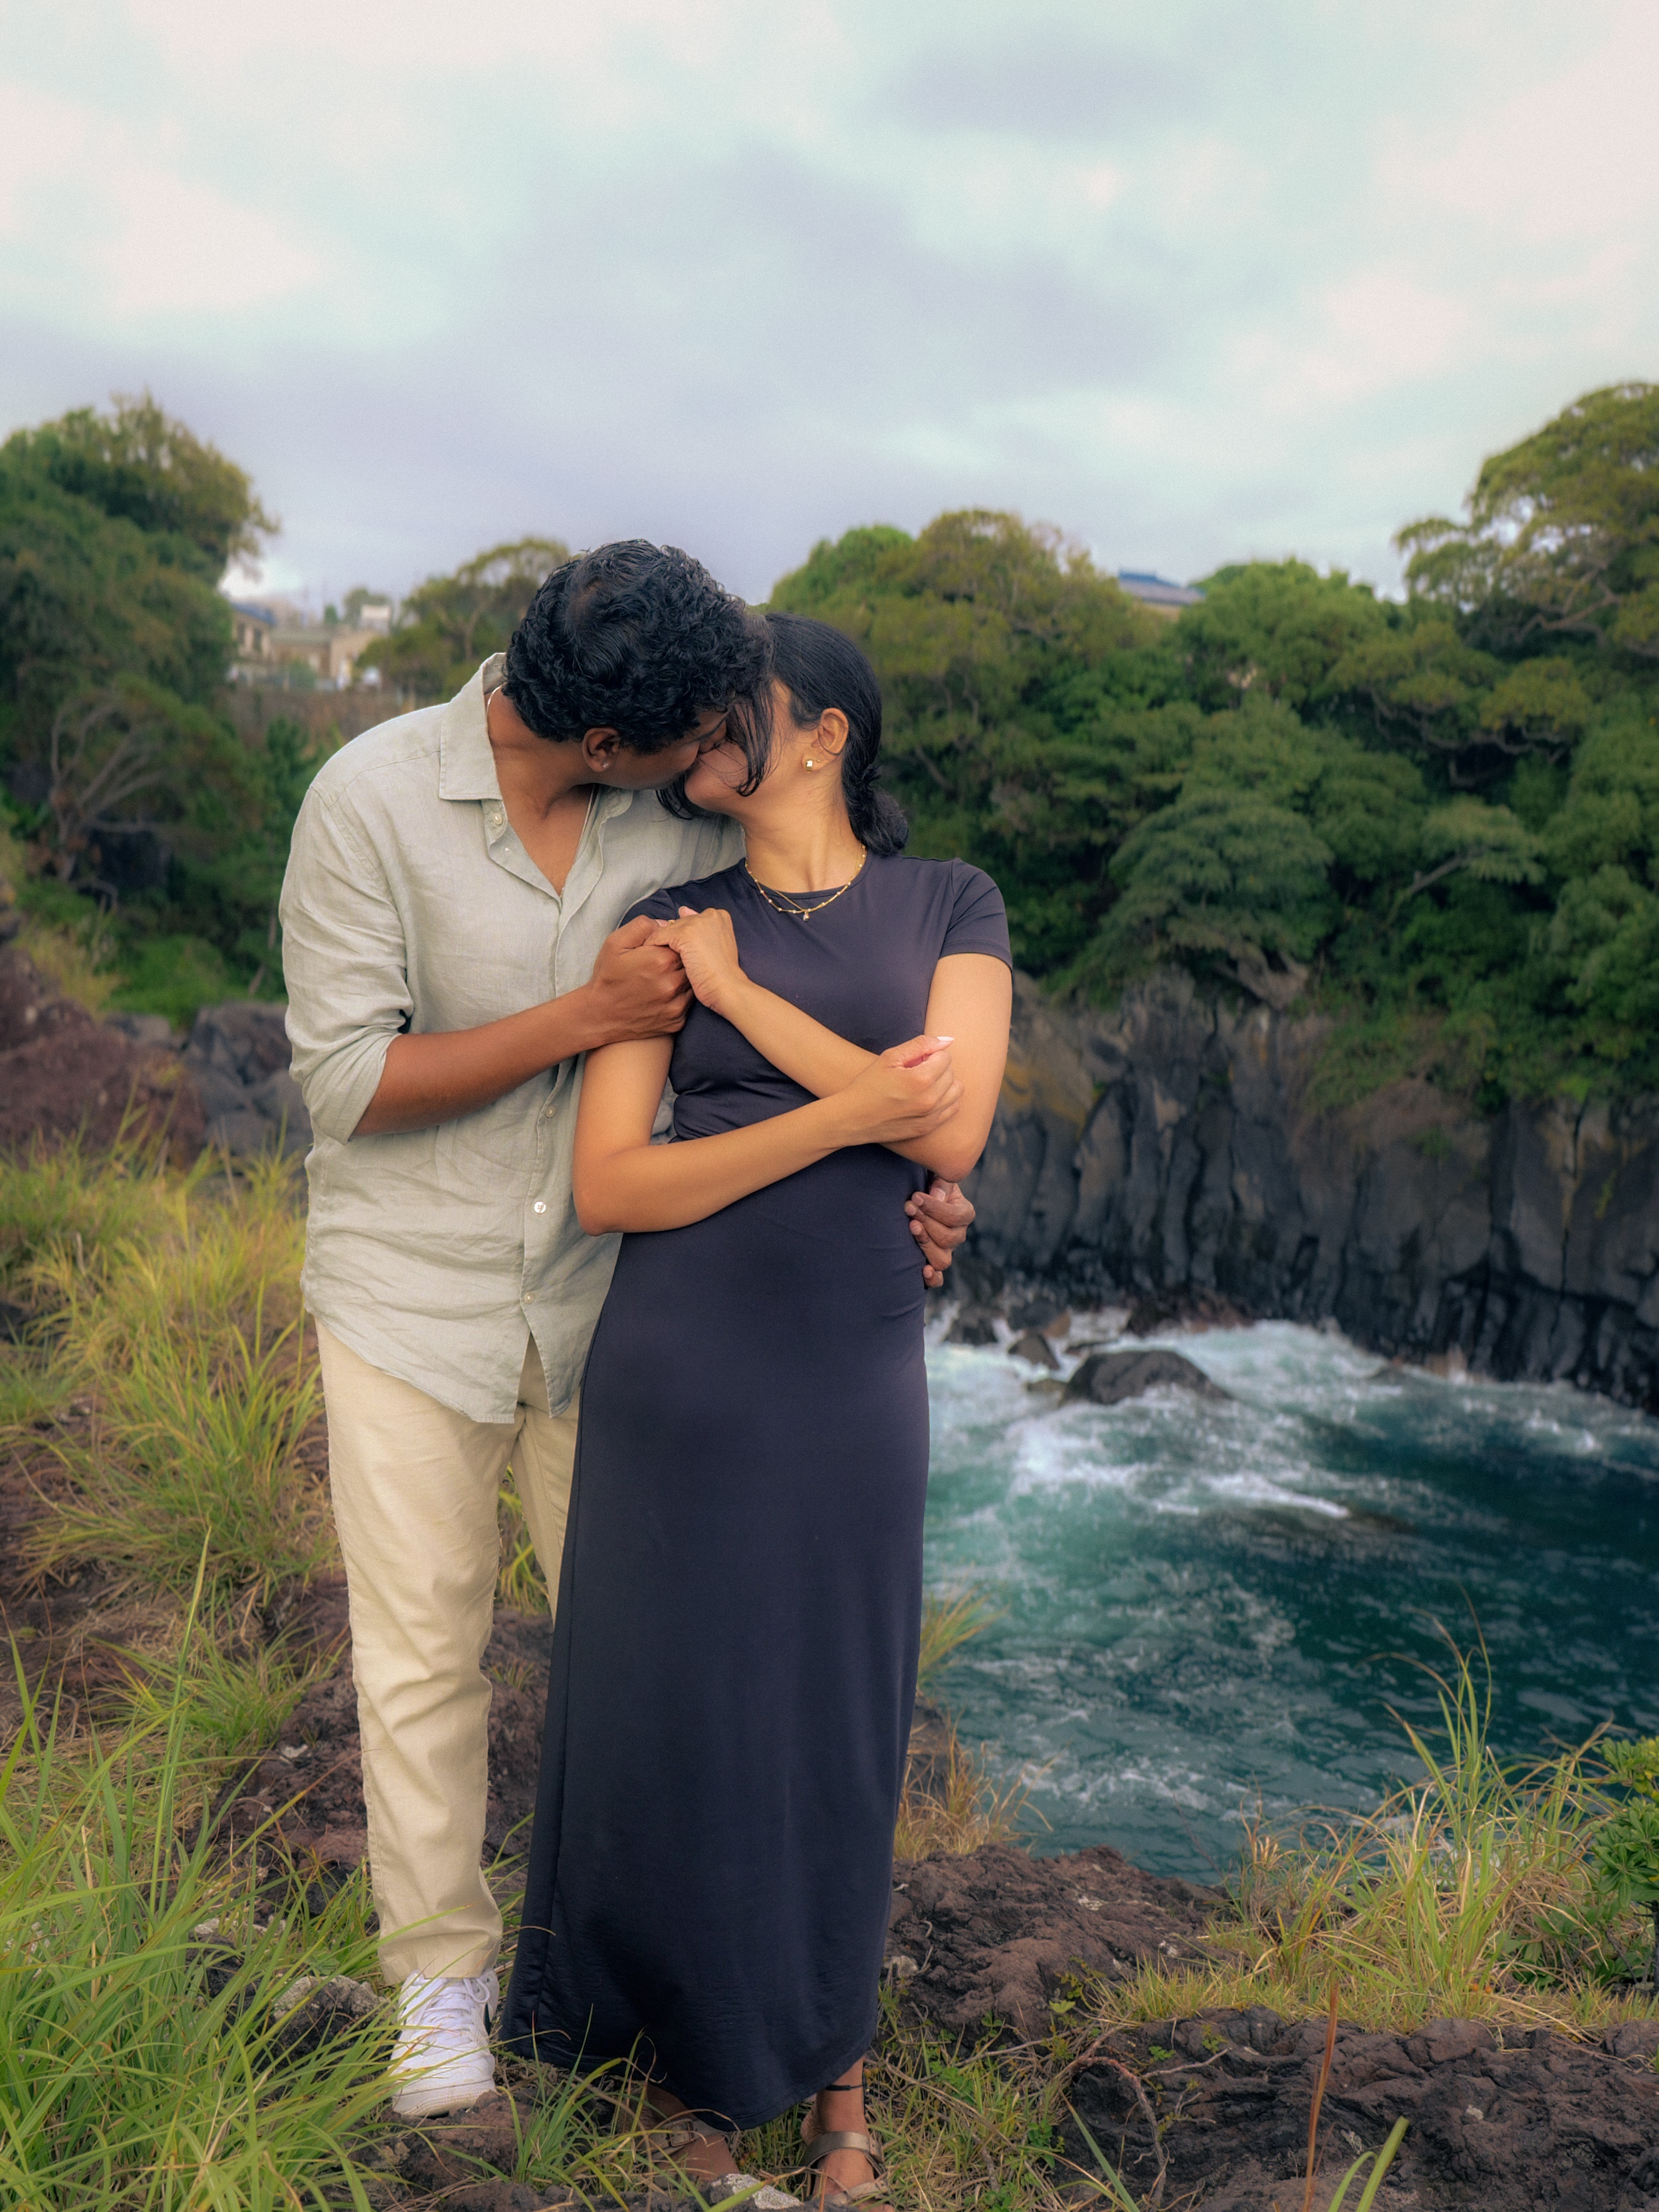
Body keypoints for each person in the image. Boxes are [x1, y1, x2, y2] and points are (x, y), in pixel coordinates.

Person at [278, 547, 976, 2122]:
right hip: (414, 1293)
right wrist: (587, 1020)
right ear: (605, 739)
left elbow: (817, 948)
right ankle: (439, 1989)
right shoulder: (368, 800)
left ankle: (663, 1997)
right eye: (684, 747)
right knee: (418, 1660)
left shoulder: (677, 811)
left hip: (627, 1315)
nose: (705, 766)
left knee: (654, 1674)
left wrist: (914, 1192)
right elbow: (345, 1083)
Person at [501, 611, 1013, 2207]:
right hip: (681, 1368)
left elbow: (953, 1123)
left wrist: (806, 1055)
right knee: (681, 1715)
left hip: (850, 1370)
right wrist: (847, 1110)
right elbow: (610, 1183)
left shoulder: (952, 901)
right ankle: (692, 2076)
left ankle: (836, 2081)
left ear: (827, 732)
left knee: (835, 1717)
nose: (714, 721)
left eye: (746, 699)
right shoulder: (669, 918)